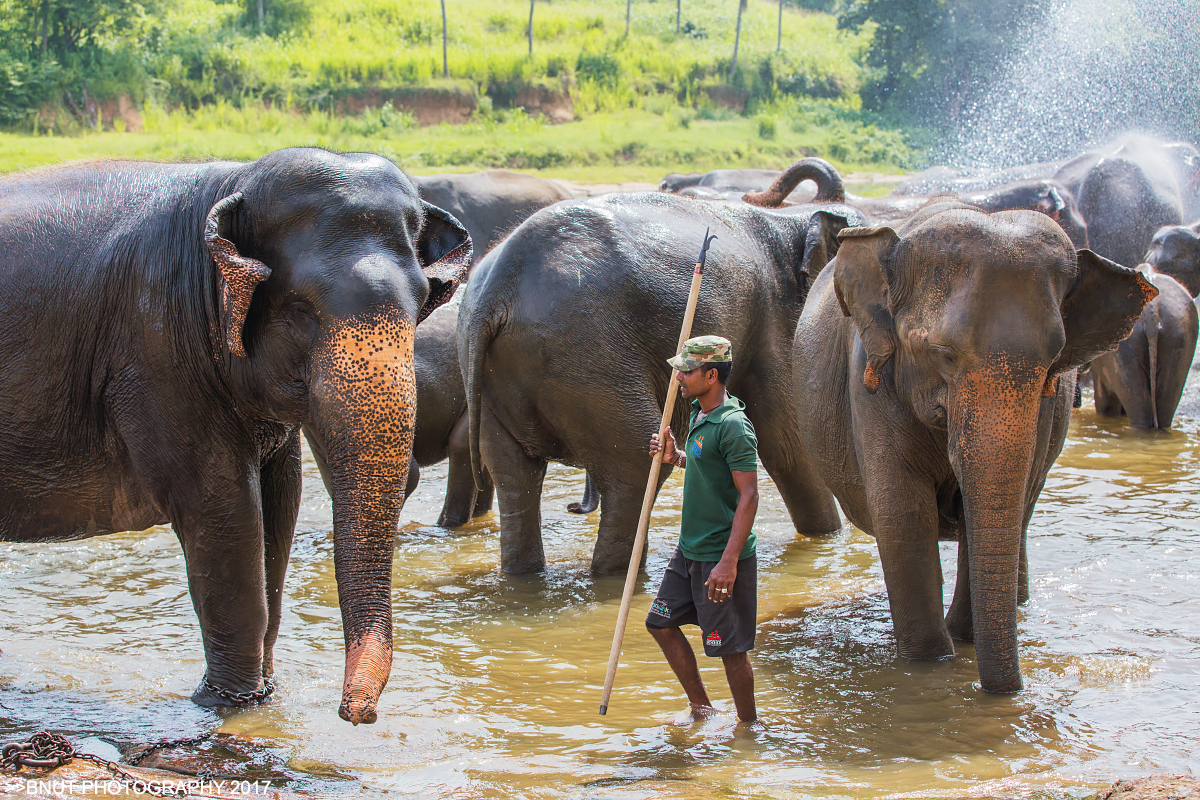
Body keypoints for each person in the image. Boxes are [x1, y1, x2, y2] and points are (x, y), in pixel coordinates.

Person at [645, 335, 760, 723]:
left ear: (711, 375)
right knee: (659, 623)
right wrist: (675, 457)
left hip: (720, 555)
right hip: (688, 550)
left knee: (730, 651)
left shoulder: (733, 427)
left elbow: (749, 497)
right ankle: (702, 708)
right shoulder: (699, 415)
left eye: (687, 371)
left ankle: (749, 729)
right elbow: (705, 467)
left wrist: (728, 564)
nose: (678, 377)